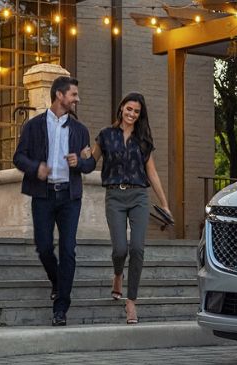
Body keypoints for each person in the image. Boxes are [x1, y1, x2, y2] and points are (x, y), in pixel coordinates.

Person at [13, 76, 95, 326]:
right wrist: (35, 167)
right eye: (73, 94)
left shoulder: (80, 130)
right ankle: (58, 282)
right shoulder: (34, 126)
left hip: (70, 198)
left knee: (68, 250)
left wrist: (79, 163)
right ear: (60, 95)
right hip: (43, 195)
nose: (77, 99)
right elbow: (18, 157)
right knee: (44, 247)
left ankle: (61, 308)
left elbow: (90, 163)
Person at [89, 92, 171, 324]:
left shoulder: (142, 140)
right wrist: (81, 157)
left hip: (138, 196)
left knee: (137, 248)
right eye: (129, 109)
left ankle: (131, 302)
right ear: (121, 108)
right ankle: (118, 274)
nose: (132, 114)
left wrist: (165, 204)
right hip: (114, 196)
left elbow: (152, 173)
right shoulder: (106, 135)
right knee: (120, 249)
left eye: (136, 111)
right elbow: (90, 163)